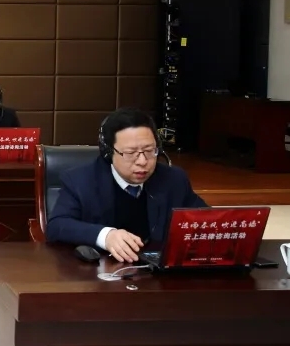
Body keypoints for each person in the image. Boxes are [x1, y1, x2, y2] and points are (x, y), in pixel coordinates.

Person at [45, 107, 207, 262]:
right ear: (109, 152)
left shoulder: (174, 179)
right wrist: (106, 236)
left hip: (159, 274)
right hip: (102, 273)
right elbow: (57, 226)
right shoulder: (81, 181)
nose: (142, 161)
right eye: (130, 153)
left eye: (149, 151)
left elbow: (206, 219)